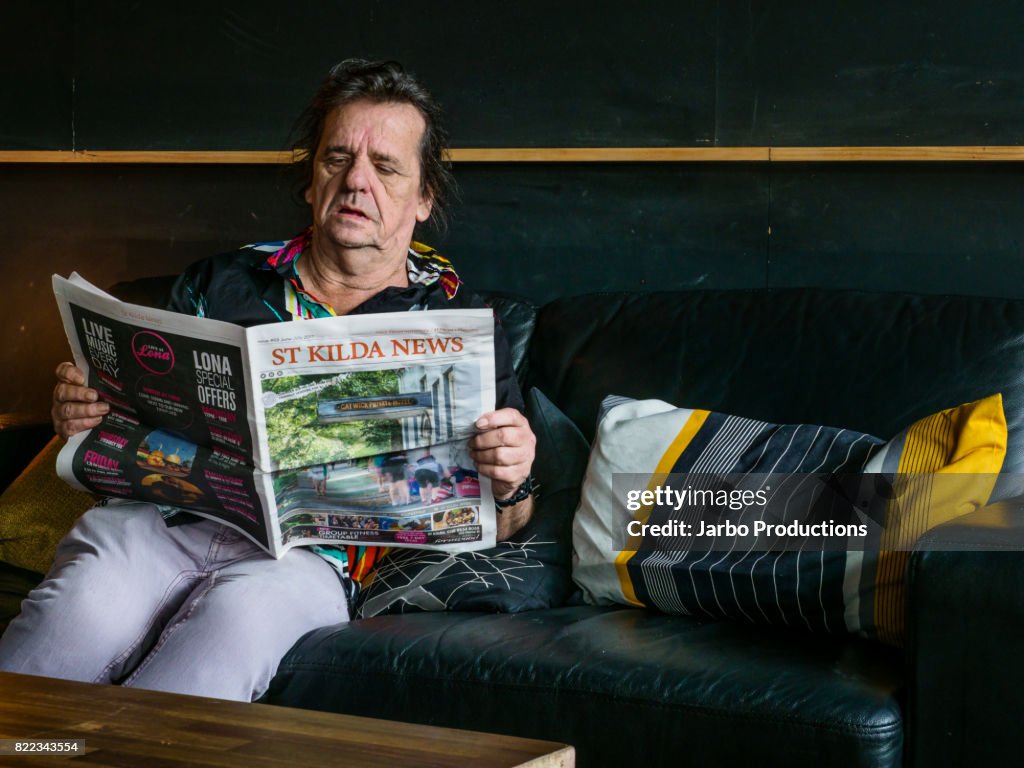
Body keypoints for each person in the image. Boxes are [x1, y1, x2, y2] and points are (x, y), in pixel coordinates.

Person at [0, 59, 536, 702]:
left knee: (233, 637)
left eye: (385, 166)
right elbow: (122, 425)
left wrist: (511, 481)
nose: (356, 180)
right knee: (78, 612)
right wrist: (82, 414)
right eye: (337, 158)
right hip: (161, 522)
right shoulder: (218, 283)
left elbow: (502, 522)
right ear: (312, 180)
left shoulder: (461, 325)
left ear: (424, 198)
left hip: (307, 563)